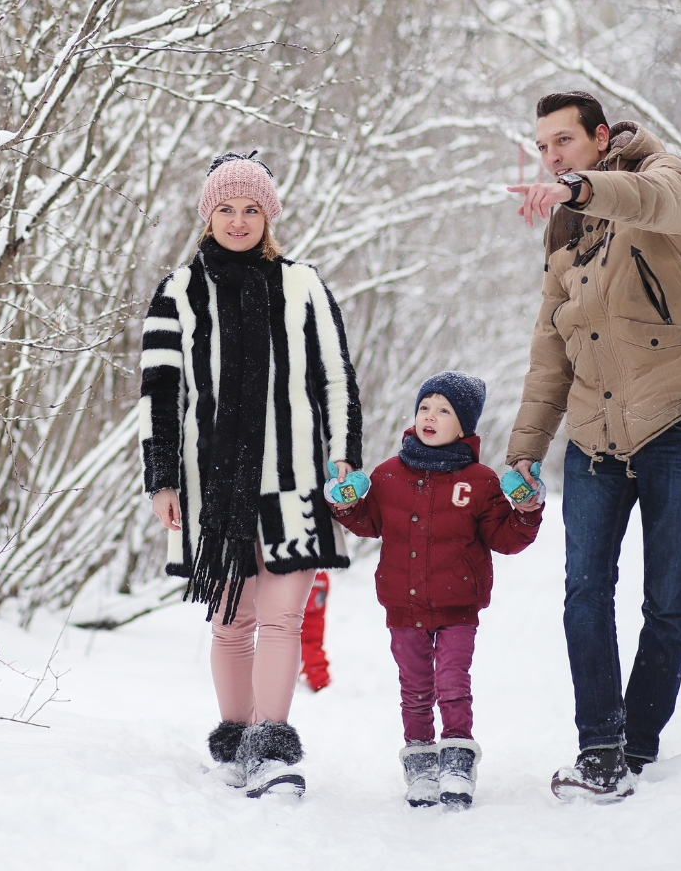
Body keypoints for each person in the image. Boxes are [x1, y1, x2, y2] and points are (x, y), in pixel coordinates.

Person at [506, 92, 681, 799]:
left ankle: (641, 739)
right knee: (583, 590)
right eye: (542, 147)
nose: (552, 156)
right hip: (595, 440)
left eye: (563, 141)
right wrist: (524, 451)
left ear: (602, 138)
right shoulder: (564, 240)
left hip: (678, 423)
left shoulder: (666, 180)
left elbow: (653, 199)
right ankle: (600, 748)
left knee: (666, 598)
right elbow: (550, 356)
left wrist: (581, 187)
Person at [139, 151, 363, 799]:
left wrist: (343, 457)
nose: (238, 220)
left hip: (294, 482)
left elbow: (336, 379)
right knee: (231, 622)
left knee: (283, 618)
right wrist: (162, 481)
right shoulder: (178, 292)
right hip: (215, 489)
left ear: (269, 216)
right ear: (209, 217)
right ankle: (236, 740)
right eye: (226, 209)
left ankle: (272, 747)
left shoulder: (303, 286)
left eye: (251, 209)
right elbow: (159, 395)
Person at [328, 372, 541, 809]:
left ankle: (458, 757)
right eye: (425, 407)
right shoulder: (388, 474)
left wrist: (525, 512)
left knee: (452, 682)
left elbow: (505, 539)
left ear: (464, 427)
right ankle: (421, 761)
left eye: (444, 411)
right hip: (403, 606)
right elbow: (368, 522)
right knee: (415, 687)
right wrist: (345, 503)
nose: (430, 416)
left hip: (458, 604)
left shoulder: (480, 482)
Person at [299, 571, 332, 692]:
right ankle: (318, 678)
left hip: (301, 577)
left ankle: (319, 680)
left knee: (307, 642)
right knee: (311, 642)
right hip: (317, 576)